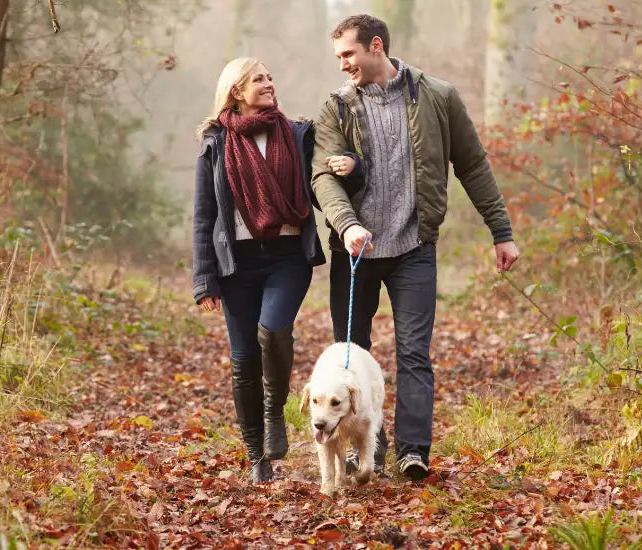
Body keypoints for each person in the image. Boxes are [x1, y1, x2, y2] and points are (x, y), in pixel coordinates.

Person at [311, 15, 521, 482]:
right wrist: (345, 225)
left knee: (414, 354)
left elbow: (473, 165)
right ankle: (362, 451)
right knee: (352, 356)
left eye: (349, 54)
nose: (343, 64)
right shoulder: (336, 108)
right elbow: (322, 176)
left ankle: (412, 452)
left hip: (413, 249)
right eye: (339, 57)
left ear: (376, 46)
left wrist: (500, 230)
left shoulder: (438, 97)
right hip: (355, 252)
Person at [192, 57, 360, 483]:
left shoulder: (298, 134)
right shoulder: (215, 142)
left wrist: (350, 174)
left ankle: (275, 413)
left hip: (287, 256)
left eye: (269, 77)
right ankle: (256, 457)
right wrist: (204, 278)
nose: (269, 84)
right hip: (236, 264)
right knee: (244, 359)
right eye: (259, 80)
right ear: (236, 91)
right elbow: (203, 215)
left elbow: (325, 187)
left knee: (273, 330)